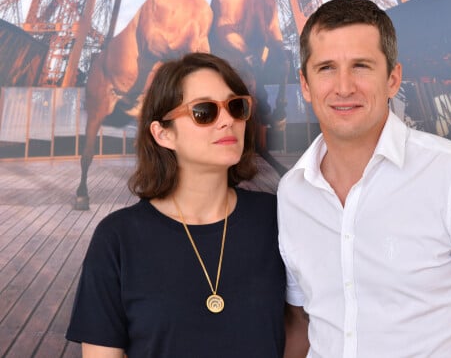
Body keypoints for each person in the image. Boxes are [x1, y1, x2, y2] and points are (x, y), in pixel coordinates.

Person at [278, 0, 451, 358]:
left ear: (393, 79)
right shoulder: (293, 191)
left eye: (361, 66)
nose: (344, 87)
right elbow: (302, 326)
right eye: (327, 67)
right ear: (305, 84)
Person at [66, 52, 286, 357]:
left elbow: (303, 327)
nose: (227, 121)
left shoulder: (277, 219)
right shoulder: (118, 238)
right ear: (163, 133)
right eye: (204, 111)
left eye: (236, 107)